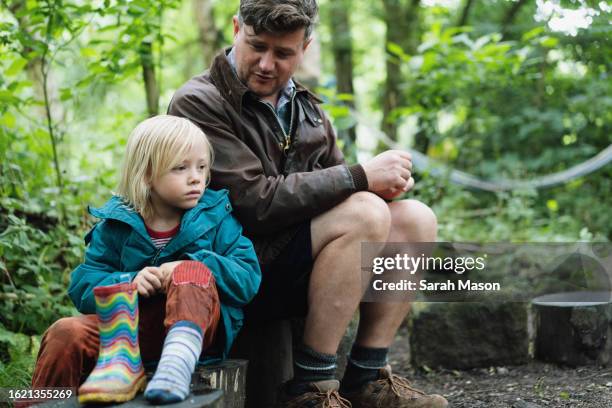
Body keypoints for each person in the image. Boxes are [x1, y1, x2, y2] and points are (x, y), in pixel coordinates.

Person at [168, 1, 448, 407]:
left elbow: (341, 192)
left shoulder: (307, 108)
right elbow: (252, 202)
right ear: (235, 29)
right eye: (257, 46)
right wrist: (360, 177)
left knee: (415, 219)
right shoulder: (198, 102)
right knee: (366, 210)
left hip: (303, 263)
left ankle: (366, 380)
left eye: (283, 53)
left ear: (305, 47)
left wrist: (381, 185)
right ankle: (311, 390)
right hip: (238, 267)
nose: (267, 64)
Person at [31, 115, 261, 405]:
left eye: (202, 167)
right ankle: (42, 402)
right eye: (181, 168)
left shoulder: (215, 219)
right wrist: (129, 281)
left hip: (195, 332)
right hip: (126, 335)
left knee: (191, 272)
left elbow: (248, 278)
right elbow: (83, 284)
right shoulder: (117, 225)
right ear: (147, 175)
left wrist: (192, 264)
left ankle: (175, 367)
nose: (196, 178)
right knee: (65, 331)